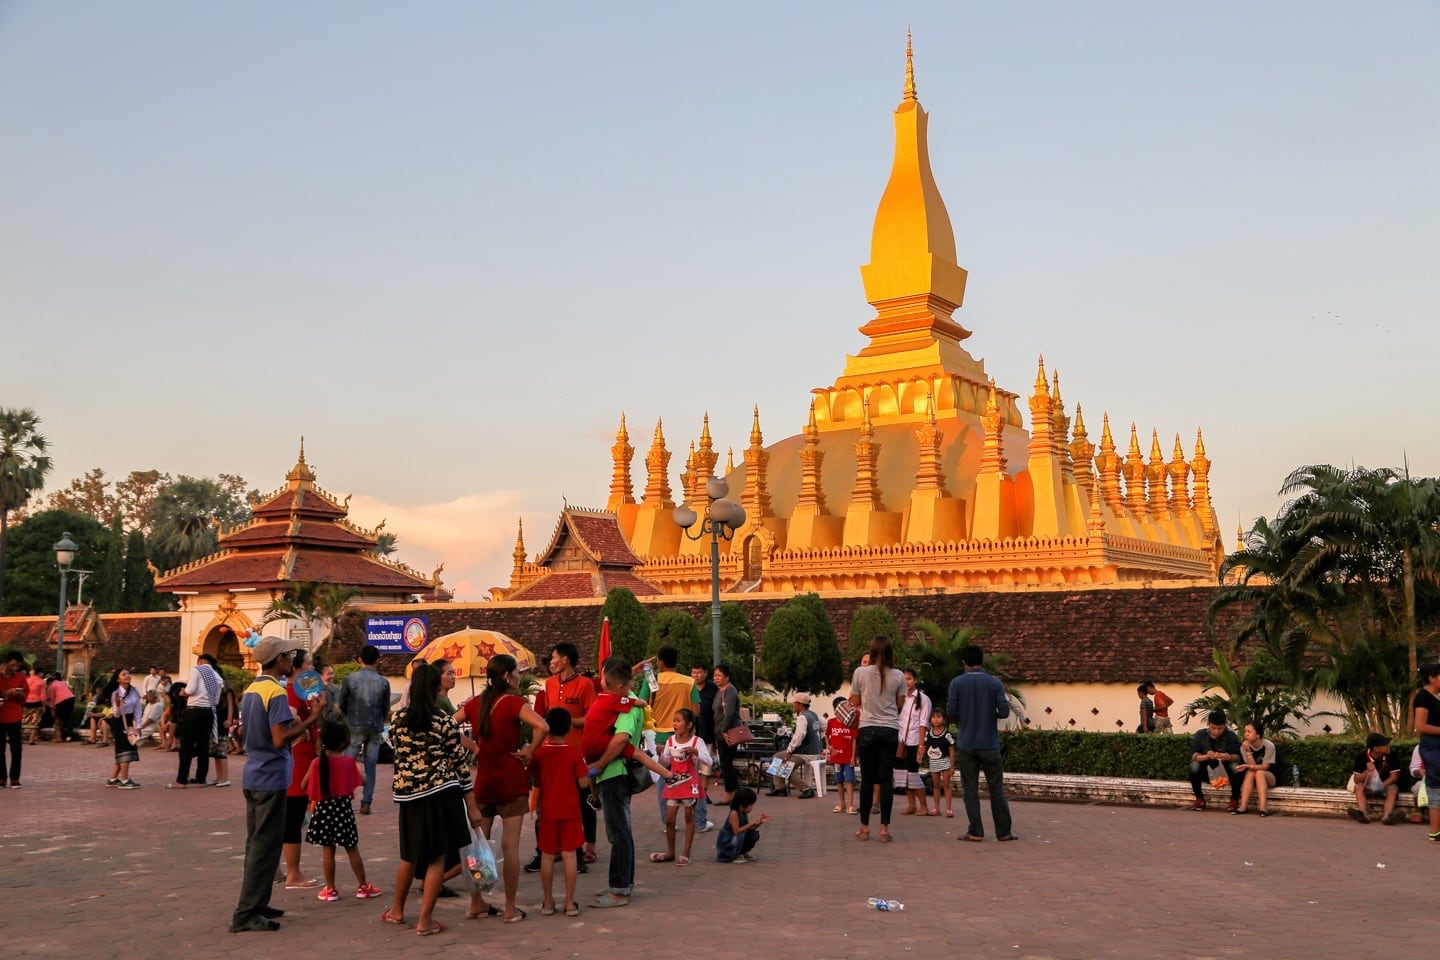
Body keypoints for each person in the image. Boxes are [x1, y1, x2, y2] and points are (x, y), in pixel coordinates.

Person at [229, 634, 318, 933]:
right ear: (278, 660)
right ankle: (246, 911)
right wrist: (310, 720)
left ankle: (257, 903)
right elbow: (281, 738)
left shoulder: (253, 690)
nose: (291, 661)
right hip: (271, 775)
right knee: (264, 846)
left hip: (255, 772)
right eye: (288, 656)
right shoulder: (275, 692)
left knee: (259, 843)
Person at [382, 661, 472, 937]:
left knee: (408, 855)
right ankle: (425, 920)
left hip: (408, 795)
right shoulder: (442, 721)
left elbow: (399, 755)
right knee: (435, 860)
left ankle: (397, 910)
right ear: (435, 687)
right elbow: (459, 762)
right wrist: (472, 803)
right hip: (439, 793)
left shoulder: (397, 720)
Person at [466, 653, 548, 924]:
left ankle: (477, 902)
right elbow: (542, 726)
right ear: (506, 676)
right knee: (510, 846)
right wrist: (529, 751)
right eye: (516, 672)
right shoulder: (514, 703)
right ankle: (510, 908)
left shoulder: (475, 703)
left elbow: (447, 728)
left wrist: (474, 747)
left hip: (484, 783)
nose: (519, 677)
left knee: (479, 847)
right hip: (511, 782)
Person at [526, 641, 598, 873]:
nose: (552, 662)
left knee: (579, 803)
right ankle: (543, 851)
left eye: (554, 657)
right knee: (543, 804)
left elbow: (590, 718)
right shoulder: (548, 684)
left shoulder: (585, 685)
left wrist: (567, 722)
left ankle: (580, 850)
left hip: (576, 752)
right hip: (549, 751)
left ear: (565, 659)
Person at [585, 655, 647, 909]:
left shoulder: (628, 707)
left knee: (618, 832)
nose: (601, 683)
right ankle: (621, 885)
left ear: (617, 686)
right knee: (621, 831)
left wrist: (600, 765)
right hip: (611, 773)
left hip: (614, 773)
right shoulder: (622, 700)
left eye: (605, 680)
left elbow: (621, 739)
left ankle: (620, 889)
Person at [303, 720, 381, 902]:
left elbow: (304, 784)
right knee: (351, 848)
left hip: (323, 811)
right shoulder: (347, 762)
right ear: (343, 743)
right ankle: (363, 886)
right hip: (343, 811)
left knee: (328, 851)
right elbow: (362, 780)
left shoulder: (317, 763)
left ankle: (330, 889)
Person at [948, 643, 1016, 841]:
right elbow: (1004, 711)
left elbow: (951, 712)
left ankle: (976, 831)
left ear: (964, 662)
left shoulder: (957, 683)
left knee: (970, 789)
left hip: (967, 742)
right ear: (982, 660)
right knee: (996, 788)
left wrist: (965, 716)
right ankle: (1003, 831)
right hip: (989, 743)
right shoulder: (995, 684)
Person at [527, 707, 590, 917]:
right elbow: (583, 783)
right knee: (569, 855)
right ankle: (570, 903)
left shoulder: (539, 754)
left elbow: (535, 780)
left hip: (547, 811)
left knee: (547, 856)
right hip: (570, 810)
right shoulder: (574, 753)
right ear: (569, 727)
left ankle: (547, 902)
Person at [850, 637, 905, 842]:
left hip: (868, 728)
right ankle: (884, 828)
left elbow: (855, 700)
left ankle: (864, 827)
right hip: (890, 729)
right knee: (885, 778)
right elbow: (900, 704)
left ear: (871, 652)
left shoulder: (860, 672)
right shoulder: (898, 675)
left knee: (867, 778)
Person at [280, 648, 324, 888]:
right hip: (298, 761)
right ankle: (293, 873)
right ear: (295, 667)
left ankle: (278, 869)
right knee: (293, 816)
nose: (311, 668)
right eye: (307, 664)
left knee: (288, 816)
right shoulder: (293, 692)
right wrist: (304, 728)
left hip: (303, 758)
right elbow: (290, 717)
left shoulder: (303, 691)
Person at [645, 646, 701, 820]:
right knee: (691, 775)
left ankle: (666, 819)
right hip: (684, 737)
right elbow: (696, 710)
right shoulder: (688, 682)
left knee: (663, 777)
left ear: (660, 662)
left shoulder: (653, 681)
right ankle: (698, 820)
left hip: (659, 735)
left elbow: (643, 705)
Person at [337, 644, 391, 816]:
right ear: (377, 660)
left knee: (347, 764)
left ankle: (343, 799)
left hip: (354, 725)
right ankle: (366, 802)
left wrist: (348, 716)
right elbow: (385, 707)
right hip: (375, 727)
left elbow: (342, 703)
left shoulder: (350, 679)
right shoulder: (383, 681)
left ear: (360, 659)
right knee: (371, 766)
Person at [653, 707, 711, 865]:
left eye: (678, 721)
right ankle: (670, 852)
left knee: (688, 818)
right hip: (674, 782)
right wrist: (660, 754)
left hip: (690, 782)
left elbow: (710, 761)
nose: (675, 724)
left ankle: (686, 853)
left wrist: (696, 752)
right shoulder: (670, 741)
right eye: (674, 721)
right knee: (670, 820)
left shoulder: (697, 742)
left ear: (689, 724)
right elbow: (665, 762)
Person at [173, 653, 223, 788]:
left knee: (186, 745)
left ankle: (181, 780)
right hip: (208, 712)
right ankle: (201, 779)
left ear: (200, 661)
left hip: (194, 710)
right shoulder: (217, 676)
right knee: (203, 746)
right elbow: (216, 700)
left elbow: (191, 689)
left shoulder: (197, 670)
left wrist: (183, 692)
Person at [769, 692, 823, 799]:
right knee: (776, 758)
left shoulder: (802, 718)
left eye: (794, 703)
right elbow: (822, 728)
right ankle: (780, 787)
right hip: (814, 750)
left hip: (805, 753)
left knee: (784, 766)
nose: (793, 705)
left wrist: (789, 752)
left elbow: (798, 737)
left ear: (800, 704)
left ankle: (806, 789)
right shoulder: (813, 715)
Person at [1187, 709, 1242, 812]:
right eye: (1213, 728)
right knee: (1194, 766)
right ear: (1208, 724)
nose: (1216, 731)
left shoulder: (1231, 736)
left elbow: (1238, 756)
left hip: (1226, 770)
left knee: (1235, 766)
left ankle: (1234, 799)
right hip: (1207, 769)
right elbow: (1194, 755)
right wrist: (1206, 756)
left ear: (1225, 725)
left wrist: (1228, 757)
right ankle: (1199, 799)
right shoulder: (1200, 735)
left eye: (1220, 728)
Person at [1349, 732, 1404, 825]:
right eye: (1385, 745)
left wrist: (1380, 786)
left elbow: (1394, 777)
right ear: (1376, 748)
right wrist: (1366, 772)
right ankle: (1363, 814)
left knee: (1393, 788)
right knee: (1358, 787)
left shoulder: (1392, 755)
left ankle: (1387, 816)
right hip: (1368, 785)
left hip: (1385, 785)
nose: (1388, 746)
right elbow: (1356, 779)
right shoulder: (1361, 757)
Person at [897, 669, 932, 815]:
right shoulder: (900, 698)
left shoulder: (924, 699)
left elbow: (923, 723)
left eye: (909, 679)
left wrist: (921, 745)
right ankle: (911, 805)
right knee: (903, 775)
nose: (906, 682)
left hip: (914, 741)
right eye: (904, 679)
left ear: (915, 680)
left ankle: (923, 806)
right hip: (900, 742)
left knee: (913, 774)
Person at [712, 663, 744, 806]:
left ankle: (730, 794)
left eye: (719, 675)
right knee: (725, 764)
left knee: (726, 764)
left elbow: (730, 713)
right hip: (720, 732)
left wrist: (723, 730)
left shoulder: (730, 690)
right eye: (715, 675)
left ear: (727, 677)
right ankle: (735, 792)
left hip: (728, 733)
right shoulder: (719, 691)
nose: (716, 678)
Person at [107, 668, 142, 789]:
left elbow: (138, 709)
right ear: (118, 679)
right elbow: (116, 714)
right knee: (124, 750)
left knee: (125, 749)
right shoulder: (115, 693)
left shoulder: (134, 691)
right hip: (118, 723)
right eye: (123, 675)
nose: (127, 676)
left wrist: (138, 726)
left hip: (129, 722)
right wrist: (117, 704)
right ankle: (125, 780)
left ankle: (112, 779)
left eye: (128, 674)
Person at [716, 785, 770, 863]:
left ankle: (742, 852)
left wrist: (759, 823)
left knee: (752, 834)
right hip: (728, 841)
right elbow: (736, 831)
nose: (751, 808)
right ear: (743, 804)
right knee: (742, 834)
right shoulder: (734, 813)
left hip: (736, 838)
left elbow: (748, 828)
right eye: (751, 805)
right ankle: (733, 854)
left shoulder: (742, 813)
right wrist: (751, 823)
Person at [1234, 722, 1276, 816]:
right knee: (1251, 772)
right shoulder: (1244, 747)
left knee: (1259, 772)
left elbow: (1265, 766)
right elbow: (1251, 766)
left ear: (1258, 734)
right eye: (1245, 731)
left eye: (1249, 732)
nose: (1246, 734)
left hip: (1270, 776)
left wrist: (1248, 766)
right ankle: (1243, 806)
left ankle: (1263, 808)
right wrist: (1248, 751)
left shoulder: (1268, 746)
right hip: (1254, 774)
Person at [1418, 664, 1440, 842]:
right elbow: (1421, 726)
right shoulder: (1423, 698)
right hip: (1433, 747)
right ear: (1432, 678)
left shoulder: (1437, 697)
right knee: (1436, 785)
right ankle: (1435, 831)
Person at [0, 653, 29, 787]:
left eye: (17, 665)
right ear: (5, 663)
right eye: (12, 665)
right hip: (0, 716)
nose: (14, 668)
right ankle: (1, 778)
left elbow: (25, 696)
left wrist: (19, 694)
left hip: (14, 715)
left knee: (16, 749)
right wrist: (5, 693)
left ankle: (15, 778)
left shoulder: (21, 678)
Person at [826, 696, 858, 815]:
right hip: (837, 759)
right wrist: (829, 747)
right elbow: (826, 735)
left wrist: (853, 756)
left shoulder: (851, 724)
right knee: (839, 781)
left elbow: (854, 739)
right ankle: (842, 804)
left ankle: (850, 805)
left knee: (849, 780)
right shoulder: (831, 722)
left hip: (848, 757)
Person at [924, 707, 956, 817]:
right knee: (936, 785)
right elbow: (923, 746)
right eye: (933, 717)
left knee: (946, 785)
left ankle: (948, 809)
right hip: (933, 762)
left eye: (938, 717)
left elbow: (951, 750)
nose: (936, 719)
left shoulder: (947, 735)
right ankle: (936, 808)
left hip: (945, 762)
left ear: (944, 720)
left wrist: (952, 766)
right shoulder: (928, 734)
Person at [45, 672, 77, 743]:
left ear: (49, 682)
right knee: (69, 718)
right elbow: (71, 691)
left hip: (61, 701)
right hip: (71, 699)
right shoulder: (62, 683)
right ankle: (69, 736)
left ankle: (58, 738)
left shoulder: (51, 686)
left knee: (58, 719)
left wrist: (52, 709)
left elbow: (52, 699)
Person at [23, 665, 46, 745]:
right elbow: (42, 695)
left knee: (24, 719)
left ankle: (20, 738)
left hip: (26, 701)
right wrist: (44, 706)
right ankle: (31, 740)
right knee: (35, 720)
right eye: (42, 674)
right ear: (40, 673)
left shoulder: (27, 680)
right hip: (37, 702)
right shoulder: (41, 681)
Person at [1408, 744, 1427, 824]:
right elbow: (1413, 769)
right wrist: (1419, 772)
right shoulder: (1420, 748)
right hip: (1427, 780)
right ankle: (1418, 812)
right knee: (1418, 787)